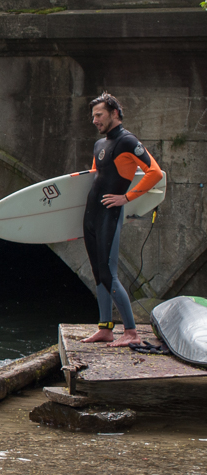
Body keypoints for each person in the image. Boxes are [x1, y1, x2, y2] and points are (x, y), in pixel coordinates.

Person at [81, 94, 163, 348]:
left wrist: (126, 197)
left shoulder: (127, 141)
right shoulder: (99, 145)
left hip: (109, 213)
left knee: (109, 273)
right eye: (93, 116)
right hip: (92, 213)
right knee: (97, 272)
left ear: (114, 112)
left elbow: (155, 173)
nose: (94, 120)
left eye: (99, 115)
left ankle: (131, 332)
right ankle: (105, 328)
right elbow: (96, 176)